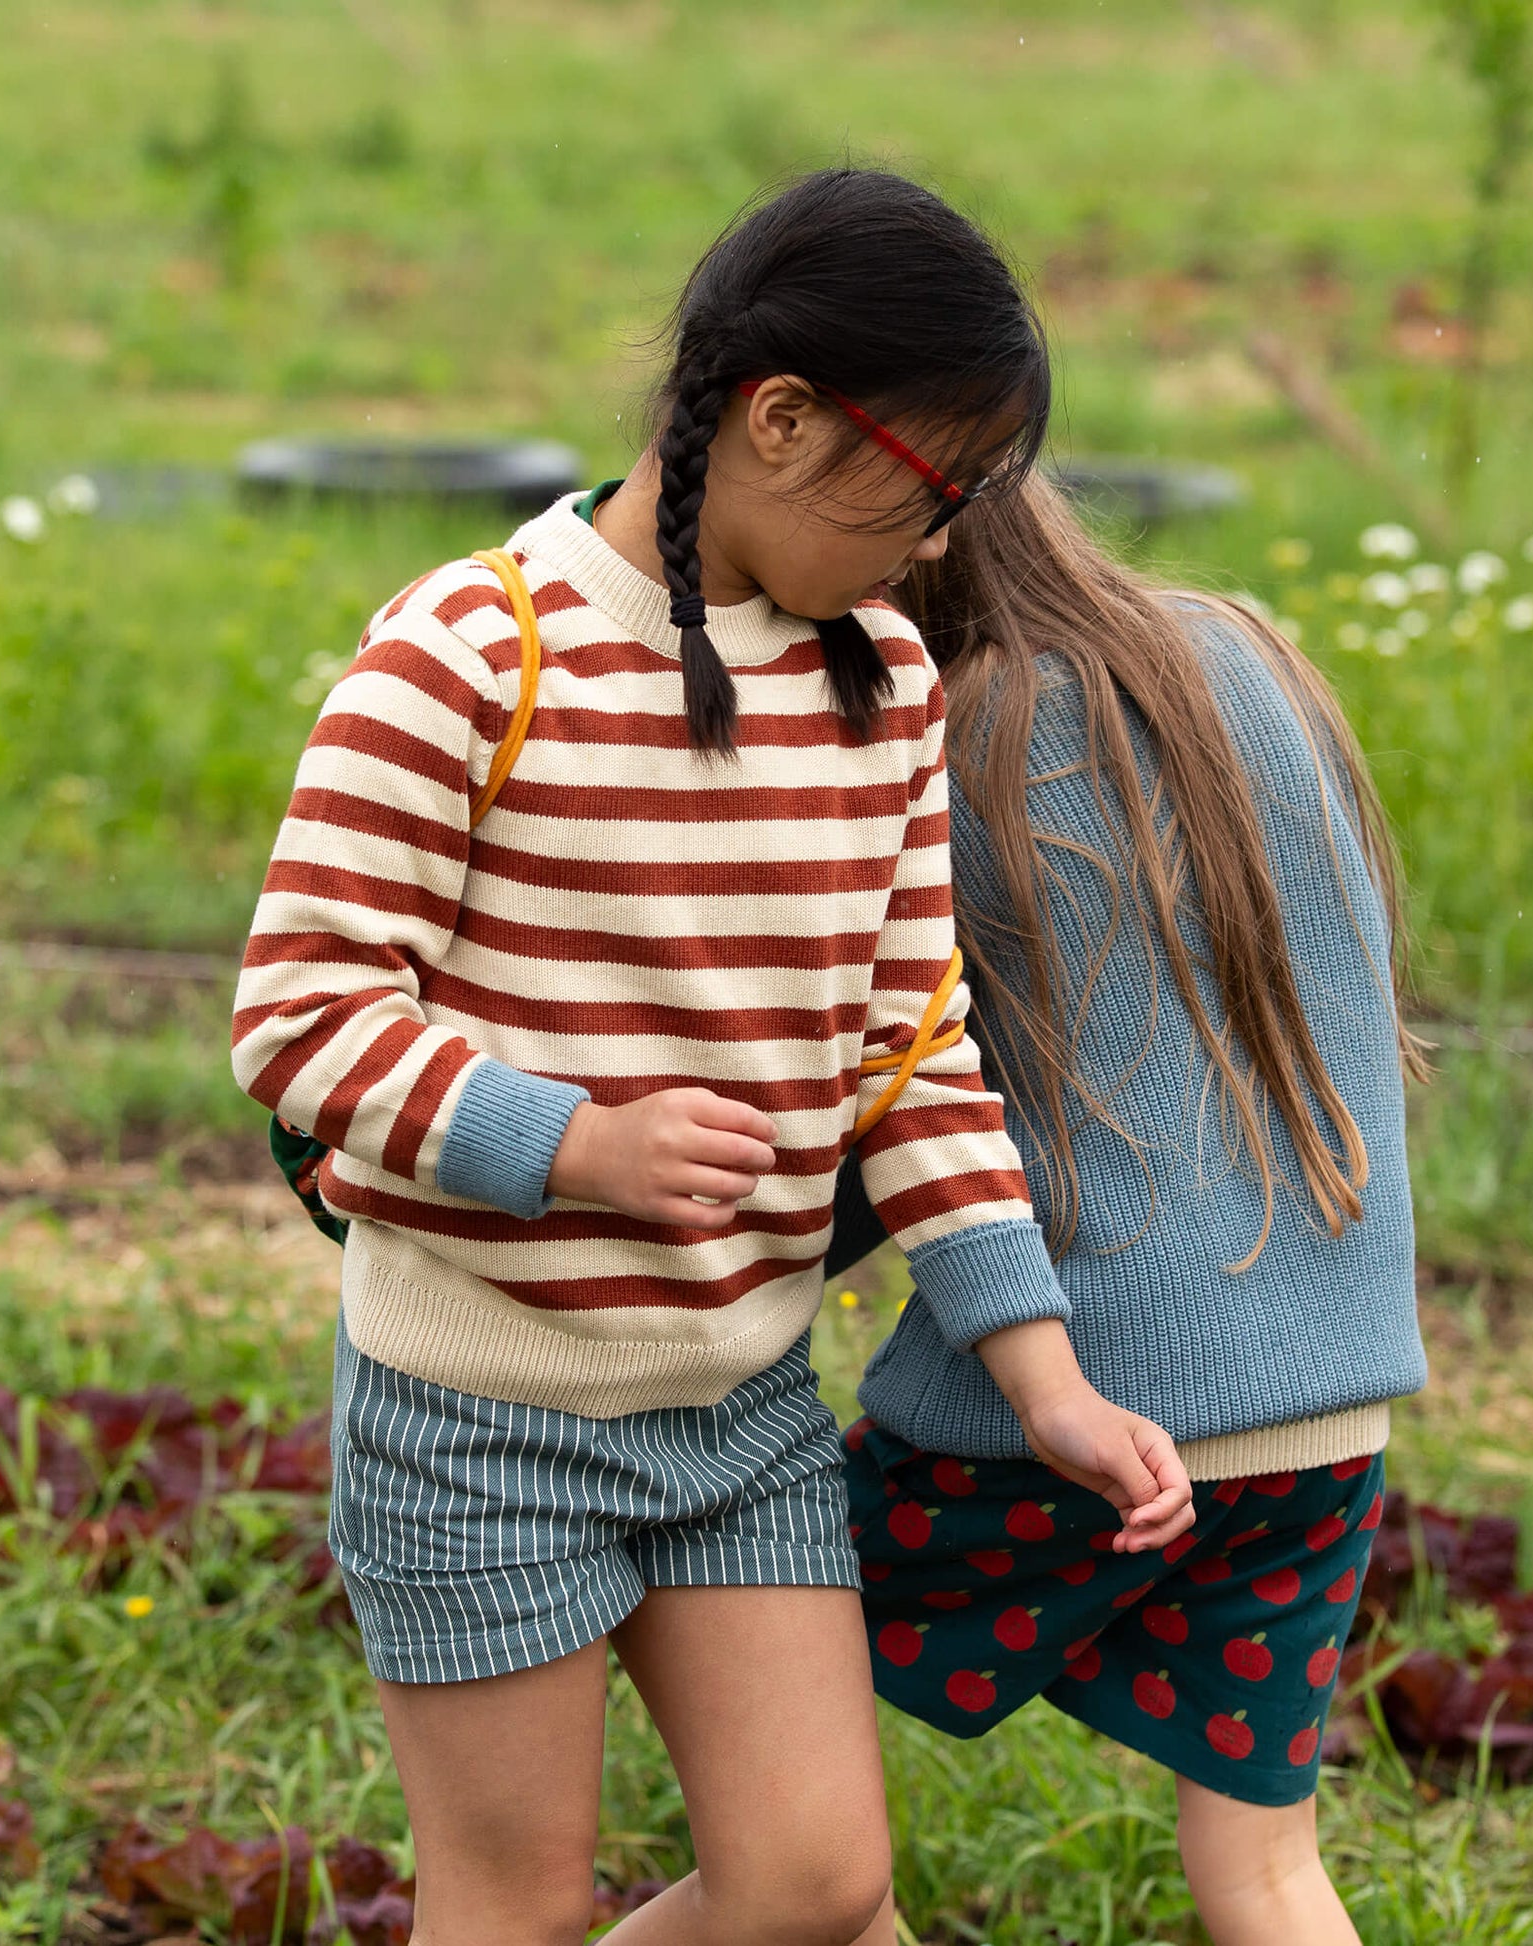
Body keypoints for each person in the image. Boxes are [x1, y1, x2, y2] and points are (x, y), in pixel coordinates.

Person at [231, 170, 1192, 1946]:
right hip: (477, 1416)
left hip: (733, 1406)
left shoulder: (881, 684)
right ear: (777, 418)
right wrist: (570, 1144)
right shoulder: (467, 654)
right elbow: (298, 1010)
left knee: (816, 1880)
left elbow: (917, 1056)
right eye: (934, 495)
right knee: (507, 1901)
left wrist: (1044, 1375)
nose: (936, 549)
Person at [835, 471, 1429, 1945]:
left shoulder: (936, 731)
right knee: (1268, 1870)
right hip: (1324, 1411)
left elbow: (896, 1093)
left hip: (1080, 1403)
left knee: (749, 1710)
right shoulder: (1241, 648)